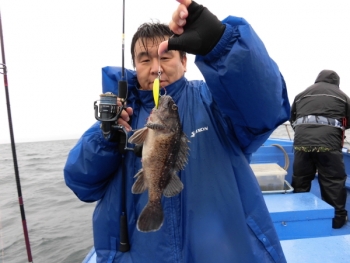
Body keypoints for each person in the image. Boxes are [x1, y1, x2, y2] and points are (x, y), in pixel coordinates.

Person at [64, 0, 290, 262]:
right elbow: (80, 183)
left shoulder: (215, 101)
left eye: (166, 56)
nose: (156, 68)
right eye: (144, 59)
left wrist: (221, 45)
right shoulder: (120, 119)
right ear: (135, 68)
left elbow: (267, 110)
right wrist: (106, 137)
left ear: (184, 60)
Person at [290, 69, 350, 229]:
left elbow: (293, 118)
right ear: (336, 82)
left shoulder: (301, 94)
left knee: (301, 179)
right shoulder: (342, 96)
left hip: (302, 142)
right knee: (333, 181)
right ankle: (337, 220)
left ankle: (301, 218)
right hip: (328, 144)